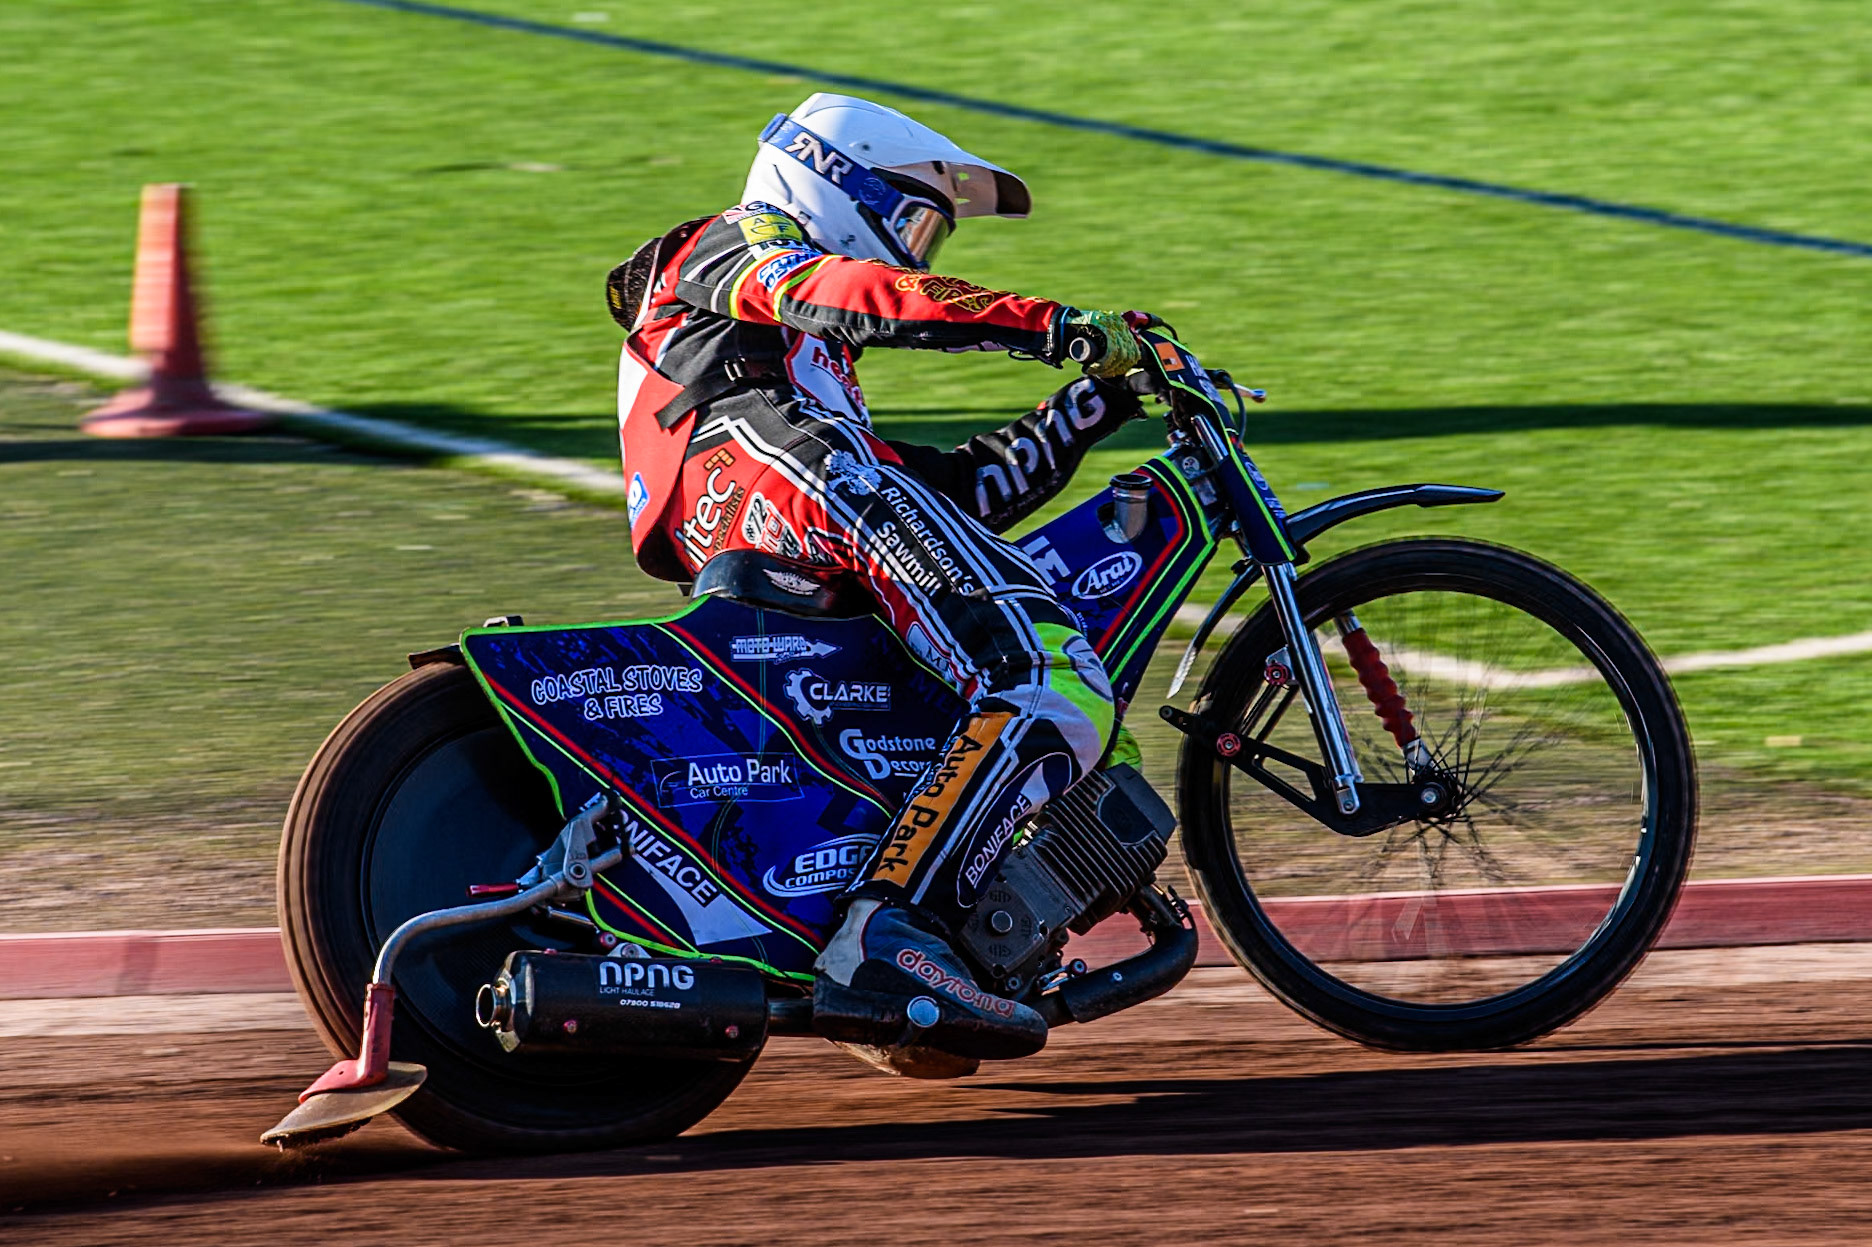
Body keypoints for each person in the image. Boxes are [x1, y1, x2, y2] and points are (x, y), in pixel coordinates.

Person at [609, 92, 1153, 1064]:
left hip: (779, 506)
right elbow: (846, 291)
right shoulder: (736, 245)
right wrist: (1053, 325)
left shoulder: (793, 361)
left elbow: (957, 491)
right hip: (772, 481)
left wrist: (1088, 406)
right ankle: (885, 934)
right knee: (1053, 672)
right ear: (831, 179)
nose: (918, 256)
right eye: (914, 222)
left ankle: (915, 935)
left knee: (958, 695)